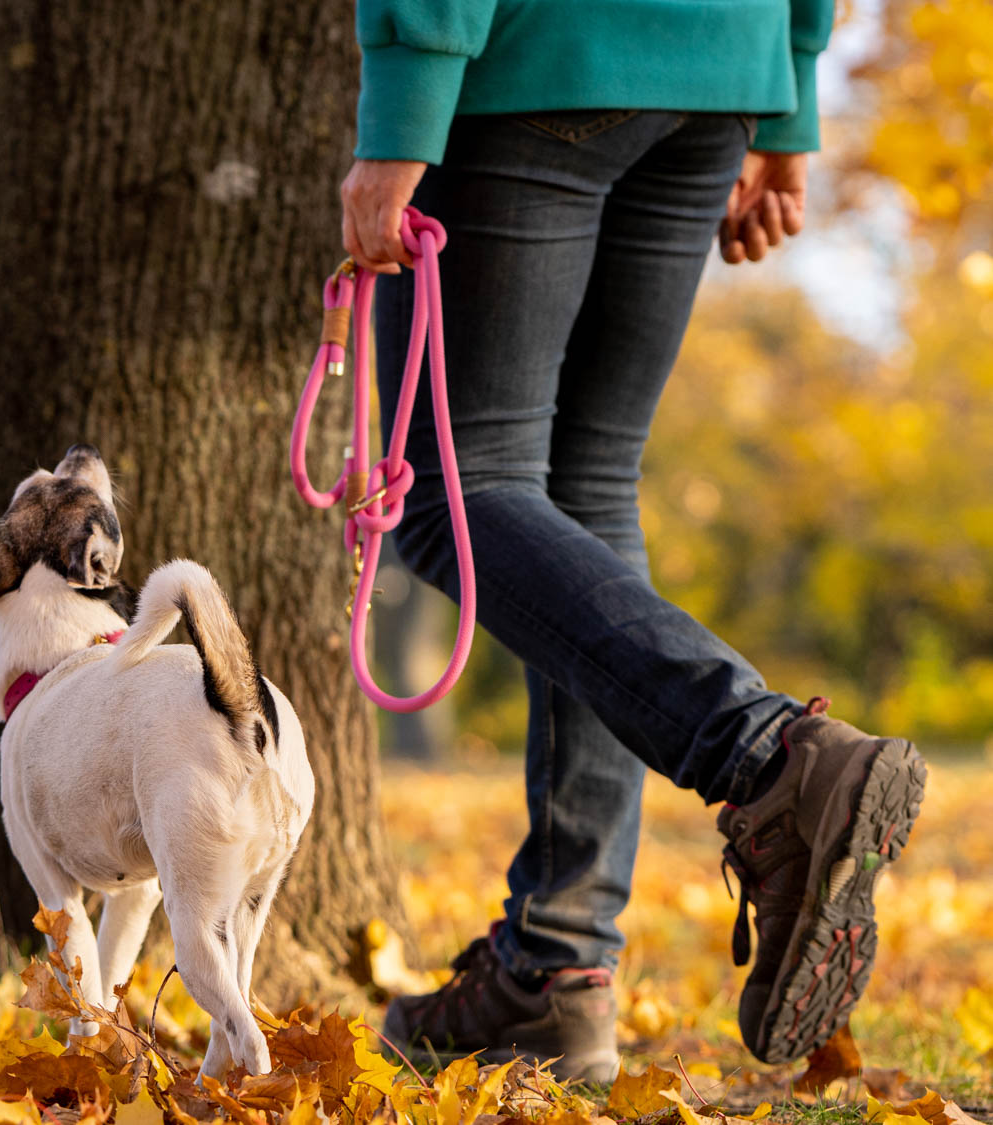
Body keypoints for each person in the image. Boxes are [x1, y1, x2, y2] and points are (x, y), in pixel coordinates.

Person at [340, 0, 929, 1082]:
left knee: (451, 493)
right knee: (582, 492)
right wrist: (790, 92)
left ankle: (766, 751)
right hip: (723, 78)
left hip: (541, 66)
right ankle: (558, 972)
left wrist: (403, 115)